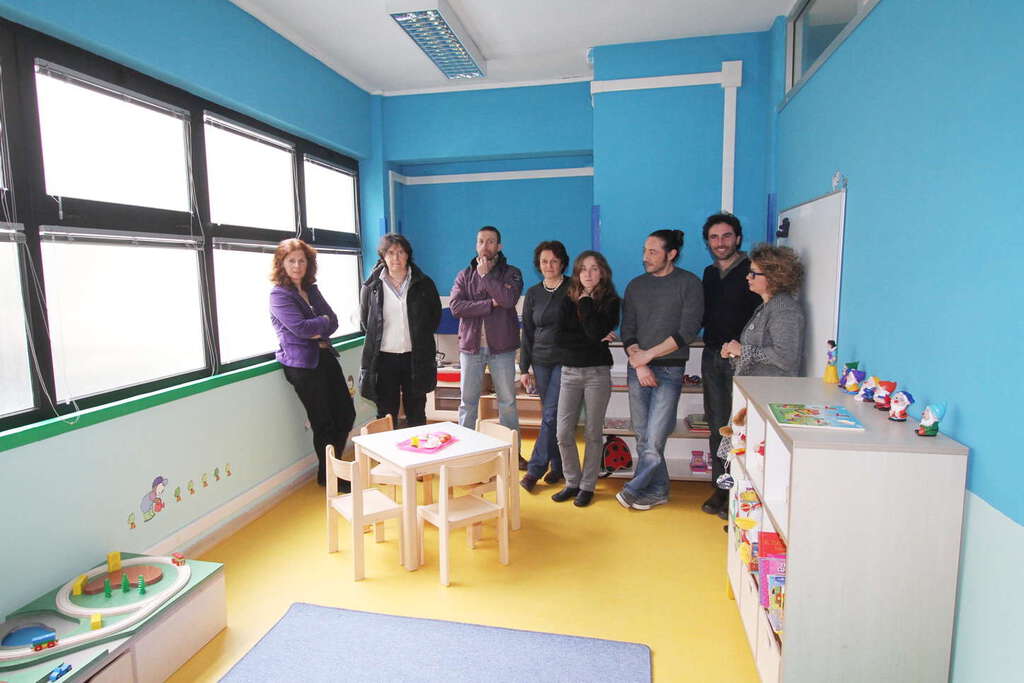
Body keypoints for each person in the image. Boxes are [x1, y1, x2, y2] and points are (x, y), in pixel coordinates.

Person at [617, 230, 703, 511]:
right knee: (642, 436)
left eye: (653, 252)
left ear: (671, 254)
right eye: (645, 250)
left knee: (654, 438)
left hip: (670, 370)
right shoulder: (635, 286)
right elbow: (628, 330)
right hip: (637, 368)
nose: (645, 257)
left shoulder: (689, 284)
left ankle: (633, 489)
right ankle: (657, 491)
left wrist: (648, 356)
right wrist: (639, 361)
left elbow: (687, 332)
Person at [270, 238, 355, 489]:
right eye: (291, 261)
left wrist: (320, 326)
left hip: (325, 357)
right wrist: (322, 323)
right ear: (281, 264)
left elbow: (334, 321)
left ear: (308, 264)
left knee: (346, 414)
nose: (297, 266)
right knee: (323, 422)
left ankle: (330, 471)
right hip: (302, 365)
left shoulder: (312, 290)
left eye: (302, 261)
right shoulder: (278, 295)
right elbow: (301, 328)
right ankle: (330, 477)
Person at [699, 213, 762, 519]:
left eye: (726, 236)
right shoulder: (709, 273)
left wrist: (744, 351)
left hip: (742, 360)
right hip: (712, 357)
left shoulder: (753, 272)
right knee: (717, 427)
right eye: (714, 237)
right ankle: (721, 489)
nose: (720, 242)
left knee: (742, 428)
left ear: (737, 238)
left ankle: (741, 492)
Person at [550, 251, 620, 507]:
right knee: (563, 432)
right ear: (577, 273)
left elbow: (594, 330)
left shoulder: (611, 302)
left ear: (602, 272)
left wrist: (587, 303)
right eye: (583, 269)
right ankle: (572, 482)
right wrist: (594, 339)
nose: (588, 274)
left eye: (594, 268)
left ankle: (587, 485)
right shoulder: (566, 300)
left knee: (592, 432)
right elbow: (559, 338)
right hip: (569, 372)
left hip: (597, 373)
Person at [449, 226, 524, 452]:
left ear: (499, 246)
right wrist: (489, 304)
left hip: (502, 349)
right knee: (467, 403)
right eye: (481, 241)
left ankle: (512, 452)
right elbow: (456, 307)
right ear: (476, 245)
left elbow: (508, 299)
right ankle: (465, 452)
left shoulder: (512, 273)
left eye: (490, 241)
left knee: (507, 402)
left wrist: (486, 276)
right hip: (471, 349)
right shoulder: (464, 275)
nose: (485, 246)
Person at [359, 233, 442, 427]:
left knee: (416, 410)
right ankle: (389, 448)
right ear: (383, 256)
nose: (395, 258)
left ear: (408, 255)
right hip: (384, 359)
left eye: (400, 252)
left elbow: (434, 316)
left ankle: (418, 447)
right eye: (390, 253)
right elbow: (366, 321)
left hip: (415, 357)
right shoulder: (372, 285)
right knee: (386, 413)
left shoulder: (424, 283)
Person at [519, 241, 570, 492]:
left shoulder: (573, 288)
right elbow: (527, 332)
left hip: (565, 359)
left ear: (562, 263)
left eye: (553, 261)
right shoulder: (533, 293)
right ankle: (558, 466)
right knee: (552, 416)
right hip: (540, 361)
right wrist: (524, 368)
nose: (548, 266)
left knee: (550, 415)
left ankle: (534, 470)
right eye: (544, 261)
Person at [721, 244, 806, 378]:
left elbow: (785, 357)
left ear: (773, 277)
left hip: (773, 389)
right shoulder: (767, 306)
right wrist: (733, 353)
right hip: (756, 387)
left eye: (754, 273)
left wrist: (742, 350)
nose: (748, 277)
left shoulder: (785, 309)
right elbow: (757, 356)